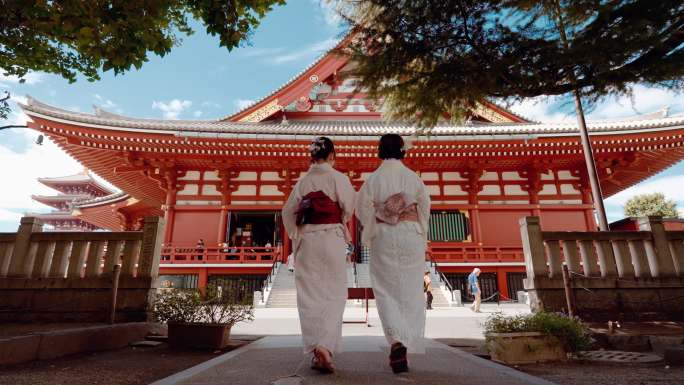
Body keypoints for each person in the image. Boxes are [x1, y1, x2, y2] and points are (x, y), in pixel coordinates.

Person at [357, 133, 431, 374]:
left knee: (385, 288)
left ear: (380, 150)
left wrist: (378, 220)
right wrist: (421, 231)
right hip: (410, 234)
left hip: (384, 234)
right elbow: (425, 206)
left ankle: (396, 339)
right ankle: (406, 341)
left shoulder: (374, 179)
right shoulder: (413, 178)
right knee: (410, 289)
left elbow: (360, 207)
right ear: (402, 151)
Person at [281, 136, 356, 374]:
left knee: (309, 296)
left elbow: (287, 212)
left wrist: (297, 234)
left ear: (311, 157)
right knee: (335, 293)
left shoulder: (302, 183)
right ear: (332, 156)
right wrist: (339, 219)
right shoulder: (339, 178)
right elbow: (349, 207)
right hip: (332, 240)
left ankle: (316, 347)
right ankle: (326, 345)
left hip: (309, 240)